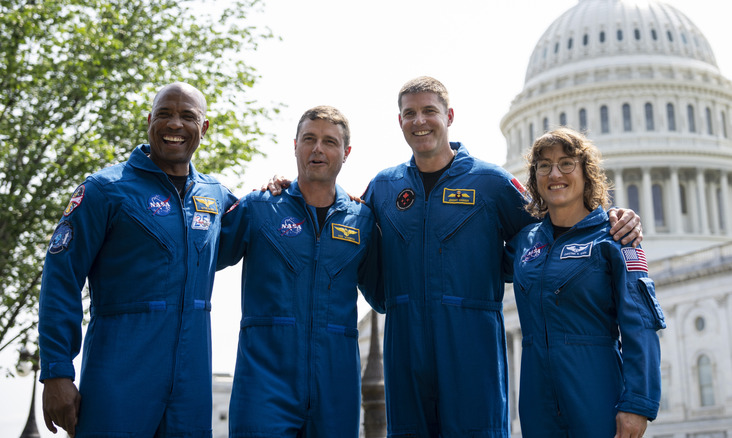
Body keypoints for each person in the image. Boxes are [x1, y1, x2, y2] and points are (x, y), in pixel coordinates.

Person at [266, 76, 642, 437]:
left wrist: (610, 217)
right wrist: (289, 190)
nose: (420, 121)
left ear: (448, 116)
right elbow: (343, 221)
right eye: (410, 114)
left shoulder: (491, 183)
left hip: (472, 351)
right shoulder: (384, 186)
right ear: (400, 121)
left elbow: (558, 219)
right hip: (405, 353)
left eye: (429, 111)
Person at [38, 82, 238, 437]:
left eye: (187, 116)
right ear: (149, 122)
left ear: (203, 128)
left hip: (191, 385)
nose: (175, 124)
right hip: (118, 377)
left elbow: (261, 229)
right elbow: (61, 276)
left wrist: (282, 189)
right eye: (164, 114)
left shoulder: (217, 197)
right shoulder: (105, 189)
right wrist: (56, 371)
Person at [217, 106, 381, 437]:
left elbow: (386, 295)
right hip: (264, 386)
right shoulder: (258, 208)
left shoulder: (363, 221)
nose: (318, 148)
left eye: (329, 142)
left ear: (346, 153)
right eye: (309, 138)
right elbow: (199, 254)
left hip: (336, 389)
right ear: (295, 145)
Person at [505, 128, 664, 438]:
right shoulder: (525, 242)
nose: (555, 174)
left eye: (566, 163)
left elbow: (641, 325)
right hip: (537, 397)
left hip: (596, 389)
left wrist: (638, 405)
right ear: (535, 176)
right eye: (544, 165)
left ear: (586, 172)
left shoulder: (617, 237)